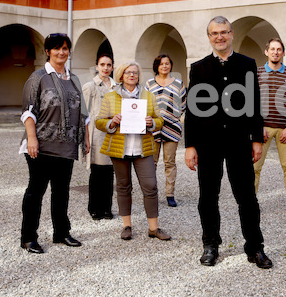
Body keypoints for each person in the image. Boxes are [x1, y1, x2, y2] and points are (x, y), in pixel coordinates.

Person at [184, 16, 272, 269]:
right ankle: (210, 244)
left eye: (224, 32)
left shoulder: (247, 64)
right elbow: (193, 109)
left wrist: (256, 139)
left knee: (247, 198)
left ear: (232, 34)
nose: (219, 37)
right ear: (209, 37)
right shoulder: (199, 68)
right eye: (214, 33)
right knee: (207, 198)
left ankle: (255, 248)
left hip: (238, 142)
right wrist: (190, 145)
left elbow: (254, 104)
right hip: (208, 142)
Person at [19, 33, 89, 254]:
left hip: (66, 146)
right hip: (41, 144)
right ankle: (28, 237)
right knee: (36, 191)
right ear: (48, 51)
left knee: (61, 192)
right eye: (57, 48)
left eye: (65, 48)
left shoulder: (74, 79)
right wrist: (31, 138)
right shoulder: (38, 77)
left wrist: (85, 138)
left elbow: (83, 113)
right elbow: (28, 112)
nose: (62, 52)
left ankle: (61, 232)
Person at [96, 61, 170, 242]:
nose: (132, 76)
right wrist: (112, 122)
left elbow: (159, 119)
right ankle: (126, 226)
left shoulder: (148, 95)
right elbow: (99, 121)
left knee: (151, 186)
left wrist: (151, 123)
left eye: (135, 73)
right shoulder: (110, 96)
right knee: (123, 187)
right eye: (128, 73)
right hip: (119, 148)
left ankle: (153, 228)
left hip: (143, 148)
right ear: (121, 75)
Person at [254, 38, 286, 218]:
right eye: (272, 49)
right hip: (262, 128)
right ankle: (250, 203)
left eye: (279, 49)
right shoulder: (257, 72)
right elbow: (251, 102)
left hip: (284, 129)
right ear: (266, 52)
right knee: (254, 167)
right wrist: (258, 126)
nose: (275, 52)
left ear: (283, 53)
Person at [145, 54, 186, 208]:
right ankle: (151, 193)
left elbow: (183, 104)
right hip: (152, 128)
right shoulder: (149, 84)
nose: (164, 66)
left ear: (170, 65)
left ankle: (170, 194)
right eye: (161, 64)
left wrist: (173, 117)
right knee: (151, 163)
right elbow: (144, 103)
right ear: (157, 66)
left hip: (172, 128)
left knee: (170, 162)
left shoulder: (178, 83)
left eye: (167, 63)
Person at [82, 52, 116, 221]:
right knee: (97, 172)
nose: (106, 68)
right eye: (102, 65)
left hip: (114, 134)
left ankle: (107, 208)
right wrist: (86, 139)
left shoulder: (117, 87)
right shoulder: (90, 86)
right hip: (97, 135)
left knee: (110, 172)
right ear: (97, 66)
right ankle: (95, 208)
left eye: (109, 65)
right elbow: (84, 114)